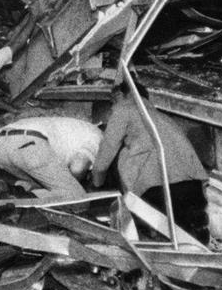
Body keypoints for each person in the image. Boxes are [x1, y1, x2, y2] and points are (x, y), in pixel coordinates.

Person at [90, 81, 210, 241]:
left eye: (112, 101)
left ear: (121, 95)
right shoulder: (164, 118)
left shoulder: (123, 109)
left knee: (159, 245)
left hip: (157, 191)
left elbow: (103, 159)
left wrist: (95, 187)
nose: (112, 107)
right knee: (190, 241)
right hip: (193, 188)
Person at [0, 115, 102, 197]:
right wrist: (75, 184)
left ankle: (13, 189)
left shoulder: (80, 127)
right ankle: (19, 197)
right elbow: (78, 168)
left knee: (43, 184)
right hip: (30, 144)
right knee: (77, 197)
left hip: (2, 143)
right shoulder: (99, 136)